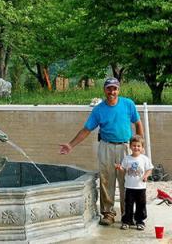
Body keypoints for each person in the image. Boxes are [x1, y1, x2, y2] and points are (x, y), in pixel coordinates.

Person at [59, 77, 144, 226]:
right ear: (104, 90)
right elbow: (86, 129)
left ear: (119, 90)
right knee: (106, 180)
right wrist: (71, 145)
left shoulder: (128, 104)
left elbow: (137, 123)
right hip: (106, 147)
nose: (112, 91)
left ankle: (127, 214)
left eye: (115, 88)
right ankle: (108, 213)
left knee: (127, 180)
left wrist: (139, 145)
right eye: (109, 88)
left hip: (125, 147)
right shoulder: (98, 110)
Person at [115, 135, 153, 230]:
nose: (136, 147)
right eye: (134, 145)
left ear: (142, 147)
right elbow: (124, 170)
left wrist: (145, 176)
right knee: (128, 205)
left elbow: (149, 169)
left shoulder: (144, 159)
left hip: (141, 187)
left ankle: (140, 221)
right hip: (129, 187)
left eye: (138, 146)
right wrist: (120, 168)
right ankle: (127, 221)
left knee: (141, 205)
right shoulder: (127, 158)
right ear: (130, 147)